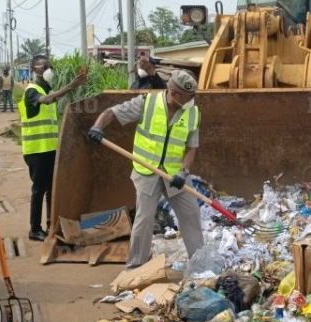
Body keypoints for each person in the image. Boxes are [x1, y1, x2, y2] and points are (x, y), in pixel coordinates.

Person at [88, 69, 204, 269]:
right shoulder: (146, 103)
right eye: (188, 97)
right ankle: (135, 267)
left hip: (176, 174)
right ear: (174, 93)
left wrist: (183, 172)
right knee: (144, 219)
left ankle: (201, 265)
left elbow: (191, 148)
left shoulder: (193, 113)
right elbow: (112, 113)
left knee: (191, 214)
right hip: (146, 172)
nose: (191, 100)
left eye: (193, 96)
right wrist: (98, 127)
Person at [18, 55, 86, 241]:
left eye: (50, 66)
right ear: (33, 69)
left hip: (48, 149)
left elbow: (53, 97)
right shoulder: (32, 91)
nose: (49, 69)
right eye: (44, 66)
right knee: (38, 189)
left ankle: (50, 224)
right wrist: (70, 86)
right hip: (36, 150)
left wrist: (75, 87)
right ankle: (34, 229)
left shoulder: (45, 88)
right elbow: (47, 100)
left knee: (50, 188)